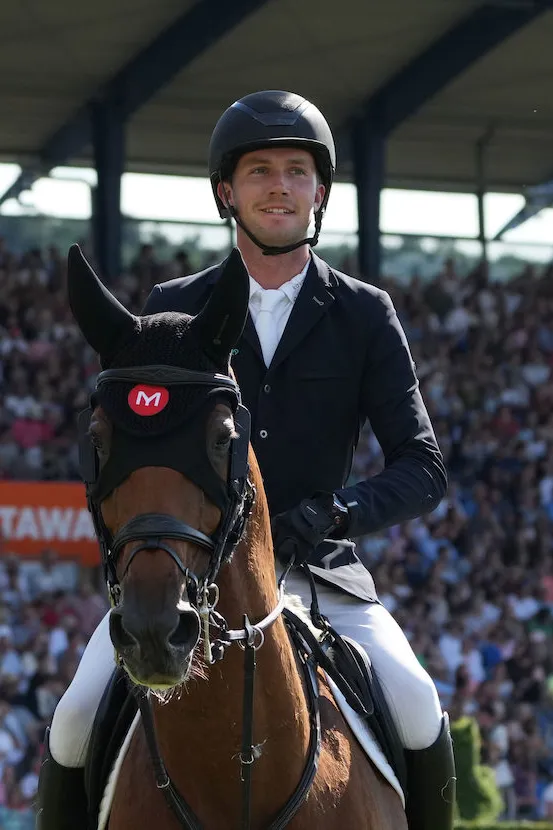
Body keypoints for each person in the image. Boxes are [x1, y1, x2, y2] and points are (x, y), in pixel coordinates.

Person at [37, 91, 456, 829]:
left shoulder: (363, 312)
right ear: (227, 192)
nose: (279, 186)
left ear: (318, 193)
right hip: (192, 574)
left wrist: (335, 511)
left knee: (418, 708)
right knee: (73, 722)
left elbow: (422, 465)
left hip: (320, 570)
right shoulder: (173, 306)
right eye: (259, 170)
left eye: (297, 171)